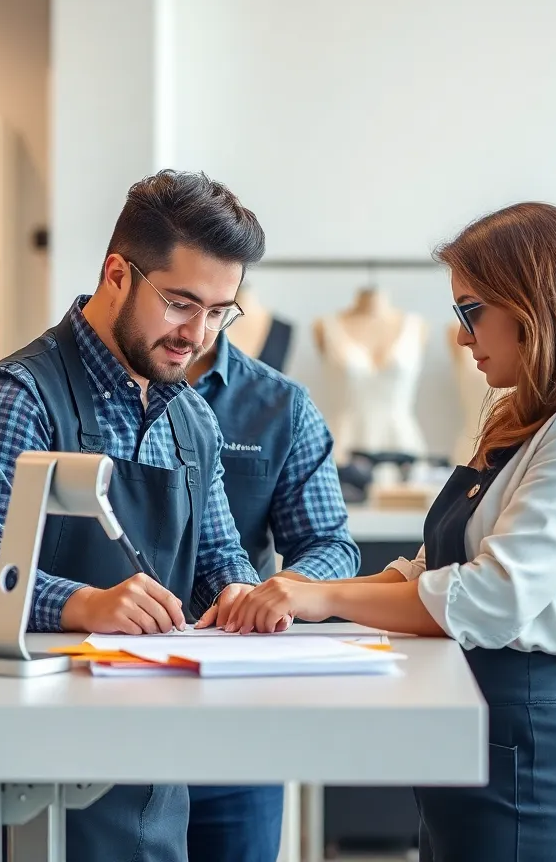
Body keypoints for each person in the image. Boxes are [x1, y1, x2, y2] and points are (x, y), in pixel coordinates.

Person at [227, 202, 556, 861]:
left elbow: (490, 598)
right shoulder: (524, 420)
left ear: (536, 303)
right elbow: (429, 569)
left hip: (532, 759)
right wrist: (297, 590)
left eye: (472, 312)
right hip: (475, 743)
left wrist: (320, 598)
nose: (464, 337)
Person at [0, 170, 275, 862]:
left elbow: (219, 557)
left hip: (146, 786)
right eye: (180, 303)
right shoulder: (19, 395)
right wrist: (84, 604)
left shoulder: (192, 417)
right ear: (118, 273)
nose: (197, 334)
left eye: (218, 312)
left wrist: (240, 593)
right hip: (16, 779)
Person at [184, 317, 360, 862]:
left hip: (236, 711)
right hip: (108, 699)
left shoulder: (282, 406)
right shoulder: (80, 395)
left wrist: (283, 590)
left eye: (218, 308)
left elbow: (331, 544)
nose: (197, 325)